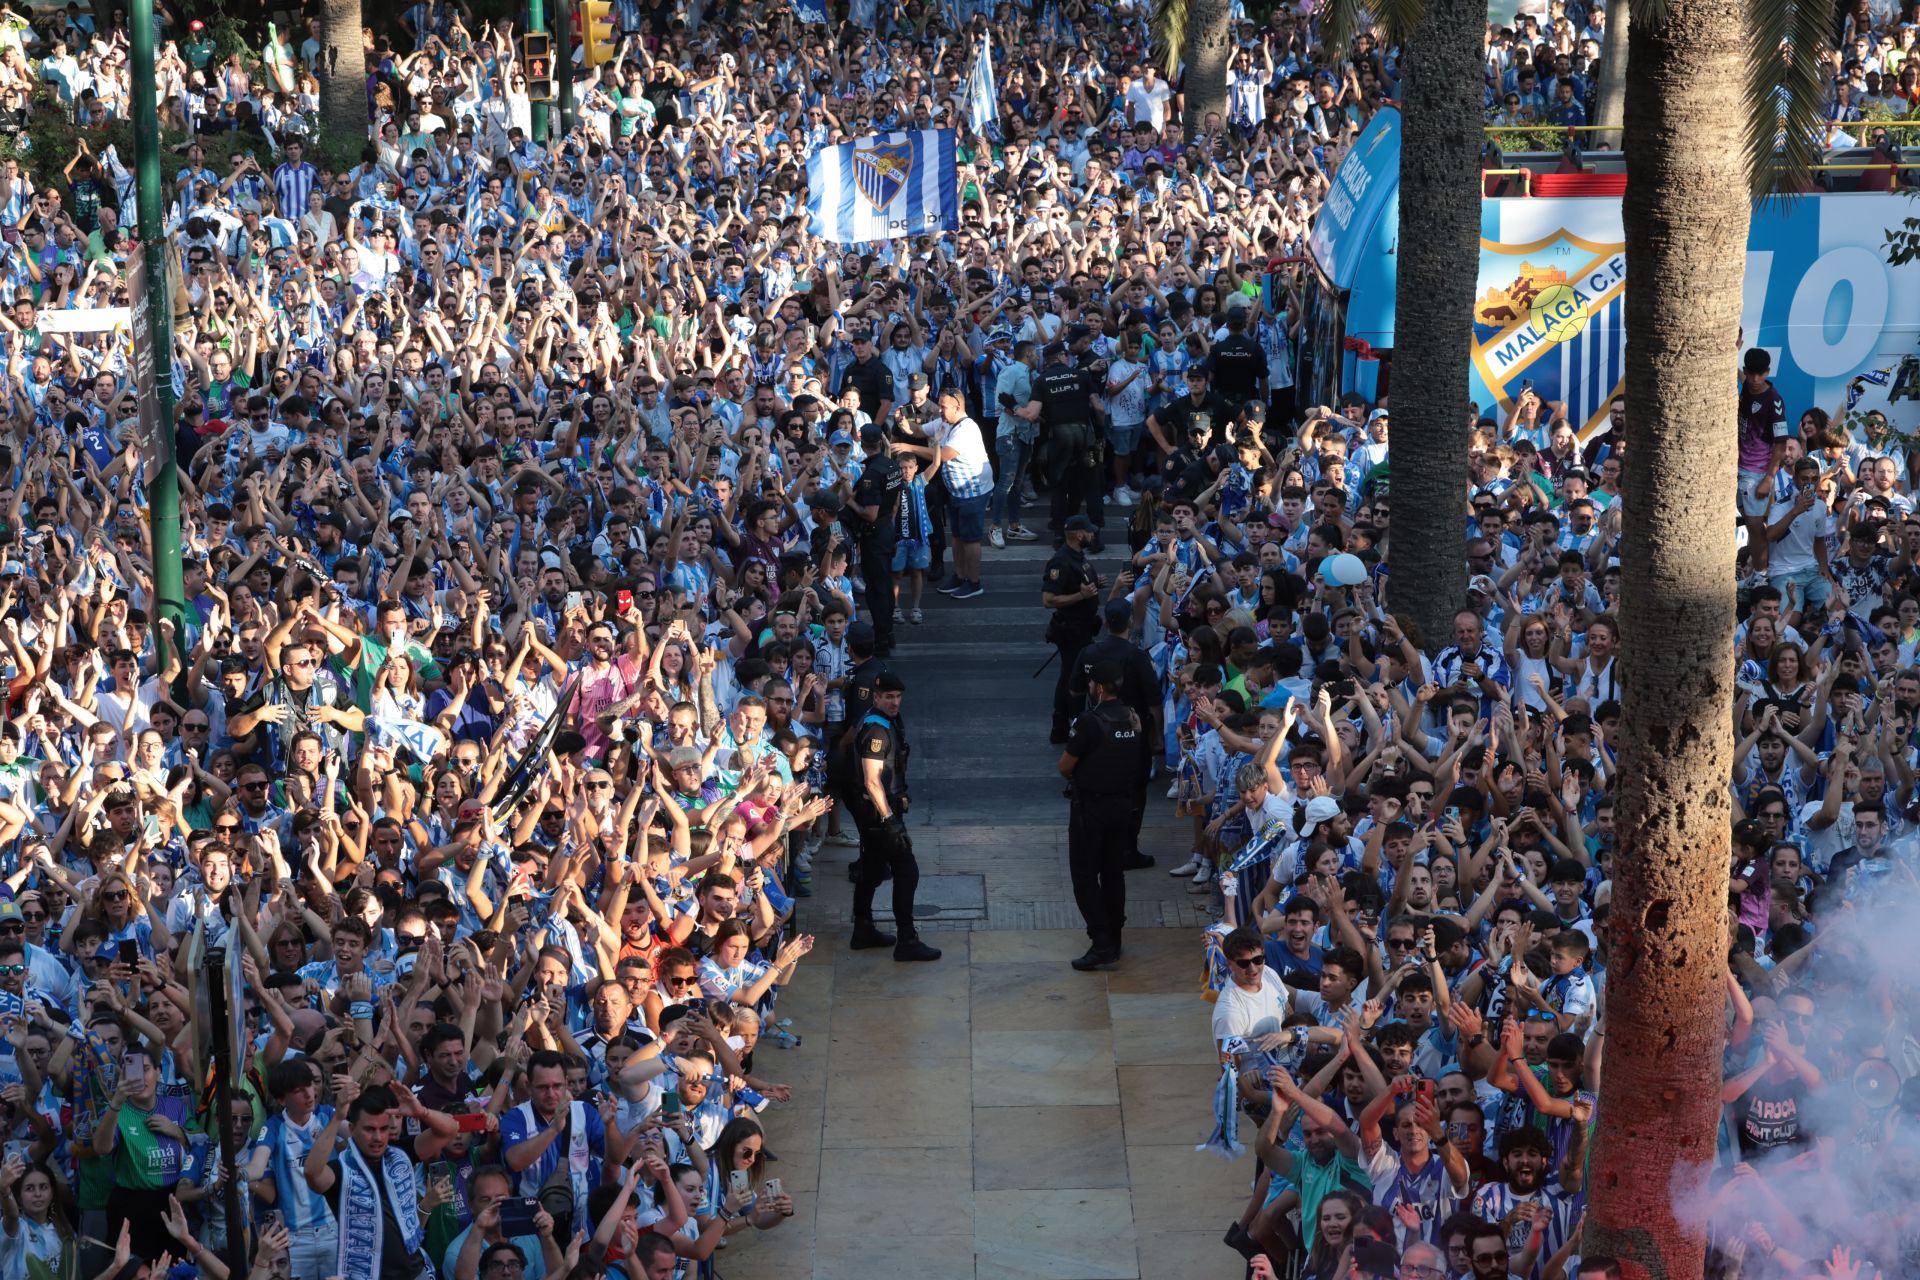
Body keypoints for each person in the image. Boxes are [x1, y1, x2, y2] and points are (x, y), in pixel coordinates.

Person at [1059, 662, 1152, 969]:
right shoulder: (1134, 717)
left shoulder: (1089, 721)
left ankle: (1101, 942)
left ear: (1098, 687)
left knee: (1084, 876)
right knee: (1113, 873)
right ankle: (1115, 935)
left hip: (1091, 810)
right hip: (1122, 808)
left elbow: (1065, 766)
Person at [845, 674, 939, 962]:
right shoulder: (876, 730)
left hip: (877, 813)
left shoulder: (882, 721)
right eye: (888, 696)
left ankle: (862, 928)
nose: (894, 701)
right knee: (907, 871)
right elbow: (873, 780)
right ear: (876, 697)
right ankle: (907, 939)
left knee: (872, 870)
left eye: (898, 696)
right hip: (880, 814)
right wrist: (889, 821)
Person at [841, 423, 905, 658]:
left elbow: (870, 513)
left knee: (877, 589)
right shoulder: (892, 466)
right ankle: (887, 633)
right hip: (888, 528)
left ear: (860, 440)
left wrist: (850, 502)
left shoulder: (871, 474)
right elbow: (896, 500)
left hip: (875, 534)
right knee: (885, 585)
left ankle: (881, 638)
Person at [1043, 516, 1105, 744]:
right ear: (1079, 535)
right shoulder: (1061, 562)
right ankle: (1065, 725)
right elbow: (1048, 599)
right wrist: (1081, 596)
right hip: (1071, 631)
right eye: (1089, 532)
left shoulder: (1078, 558)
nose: (1091, 535)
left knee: (1074, 676)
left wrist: (1095, 584)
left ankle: (1070, 724)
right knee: (1071, 679)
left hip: (1084, 628)